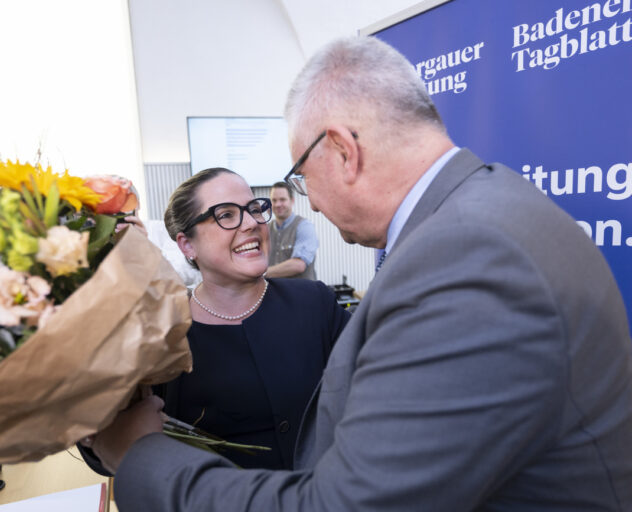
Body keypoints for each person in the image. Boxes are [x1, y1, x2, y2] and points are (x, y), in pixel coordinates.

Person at [90, 36, 632, 510]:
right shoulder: (486, 212)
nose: (313, 205)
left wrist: (139, 455)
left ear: (343, 152)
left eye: (302, 175)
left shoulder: (466, 259)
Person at [80, 167, 349, 471]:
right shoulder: (160, 330)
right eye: (226, 215)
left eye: (254, 209)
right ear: (187, 245)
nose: (251, 223)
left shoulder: (315, 303)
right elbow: (111, 446)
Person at [265, 181, 318, 279]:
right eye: (274, 200)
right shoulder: (266, 229)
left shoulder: (304, 227)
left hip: (301, 292)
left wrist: (262, 273)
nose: (277, 204)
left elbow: (298, 265)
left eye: (282, 199)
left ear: (292, 200)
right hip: (276, 292)